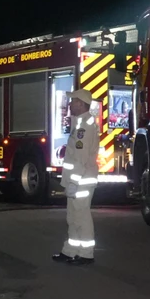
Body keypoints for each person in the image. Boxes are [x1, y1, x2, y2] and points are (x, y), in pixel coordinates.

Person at [53, 89, 99, 265]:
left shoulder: (84, 127)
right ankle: (71, 250)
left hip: (81, 181)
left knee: (81, 216)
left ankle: (86, 254)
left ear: (81, 103)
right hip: (77, 180)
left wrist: (74, 182)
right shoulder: (80, 123)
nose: (70, 104)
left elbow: (80, 158)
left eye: (73, 101)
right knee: (72, 216)